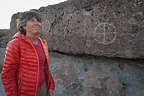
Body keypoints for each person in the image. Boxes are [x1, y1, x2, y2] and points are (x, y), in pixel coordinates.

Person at [1, 11, 55, 96]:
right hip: (25, 91)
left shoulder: (43, 42)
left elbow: (45, 67)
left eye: (38, 21)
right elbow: (7, 75)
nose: (37, 23)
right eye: (32, 20)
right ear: (24, 26)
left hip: (44, 87)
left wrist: (50, 85)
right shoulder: (15, 44)